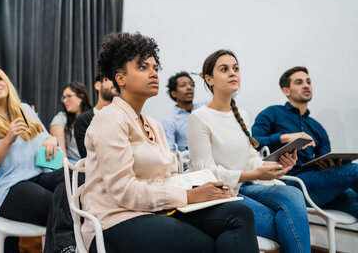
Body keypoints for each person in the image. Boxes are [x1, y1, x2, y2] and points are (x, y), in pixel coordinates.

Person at [81, 33, 259, 253]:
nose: (154, 73)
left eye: (155, 67)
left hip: (159, 210)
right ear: (120, 78)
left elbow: (170, 177)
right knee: (208, 244)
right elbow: (123, 191)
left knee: (240, 213)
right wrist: (188, 196)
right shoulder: (109, 119)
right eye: (143, 67)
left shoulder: (153, 125)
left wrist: (201, 189)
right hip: (115, 220)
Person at [187, 49, 311, 253]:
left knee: (292, 194)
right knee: (289, 221)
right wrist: (253, 174)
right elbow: (204, 174)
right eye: (224, 69)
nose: (233, 73)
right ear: (209, 79)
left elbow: (251, 159)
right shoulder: (199, 118)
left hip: (244, 187)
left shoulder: (242, 115)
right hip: (220, 195)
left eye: (236, 68)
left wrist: (277, 166)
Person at [0, 64, 69, 252]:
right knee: (65, 203)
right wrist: (8, 139)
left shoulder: (25, 109)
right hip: (8, 187)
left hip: (39, 174)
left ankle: (62, 247)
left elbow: (45, 139)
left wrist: (52, 138)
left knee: (77, 180)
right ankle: (65, 247)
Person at [252, 66, 358, 217]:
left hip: (318, 186)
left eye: (308, 82)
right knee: (354, 171)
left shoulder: (317, 127)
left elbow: (324, 158)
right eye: (299, 82)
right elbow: (252, 142)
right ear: (286, 91)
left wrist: (332, 164)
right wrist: (285, 137)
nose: (306, 85)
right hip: (287, 182)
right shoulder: (272, 113)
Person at [74, 74, 118, 158]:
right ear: (98, 85)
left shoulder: (125, 116)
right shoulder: (83, 120)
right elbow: (87, 156)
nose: (116, 83)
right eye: (111, 79)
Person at [50, 82, 92, 162]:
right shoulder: (61, 117)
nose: (65, 101)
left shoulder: (93, 116)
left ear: (81, 97)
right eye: (64, 97)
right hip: (73, 165)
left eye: (68, 96)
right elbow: (61, 155)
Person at [162, 71, 204, 152]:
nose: (189, 87)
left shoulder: (204, 108)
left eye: (192, 85)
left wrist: (213, 78)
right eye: (183, 85)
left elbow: (230, 95)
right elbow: (169, 153)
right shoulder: (169, 122)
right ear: (174, 93)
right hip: (187, 163)